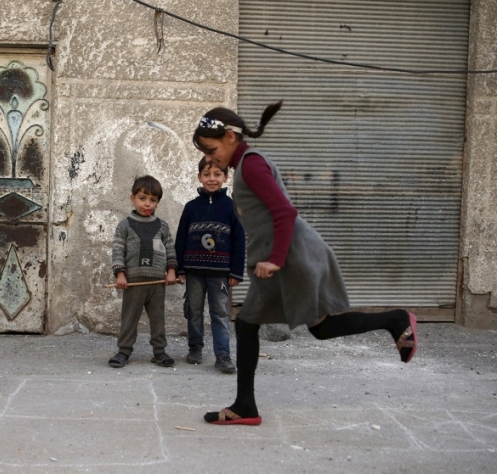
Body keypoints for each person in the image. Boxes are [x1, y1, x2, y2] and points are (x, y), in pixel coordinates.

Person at [192, 102, 417, 425]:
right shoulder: (247, 165)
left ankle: (245, 406)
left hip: (288, 256)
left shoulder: (252, 165)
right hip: (283, 255)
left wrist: (275, 260)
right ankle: (395, 320)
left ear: (229, 137)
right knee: (313, 328)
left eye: (212, 150)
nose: (211, 158)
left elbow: (284, 213)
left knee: (255, 324)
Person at [176, 158, 245, 373]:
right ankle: (195, 348)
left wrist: (236, 272)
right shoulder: (190, 208)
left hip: (221, 274)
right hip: (194, 272)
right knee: (194, 311)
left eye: (217, 174)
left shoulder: (232, 208)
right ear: (199, 177)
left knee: (220, 314)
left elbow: (239, 241)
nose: (212, 179)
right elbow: (180, 239)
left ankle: (223, 355)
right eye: (207, 174)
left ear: (225, 177)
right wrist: (179, 268)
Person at [109, 175, 178, 368]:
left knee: (158, 319)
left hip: (157, 282)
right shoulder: (125, 225)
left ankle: (159, 352)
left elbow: (170, 248)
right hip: (133, 281)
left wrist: (171, 271)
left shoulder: (162, 226)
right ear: (133, 198)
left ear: (157, 202)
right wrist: (120, 274)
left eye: (152, 200)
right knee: (129, 317)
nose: (147, 204)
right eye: (142, 198)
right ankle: (123, 351)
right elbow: (117, 251)